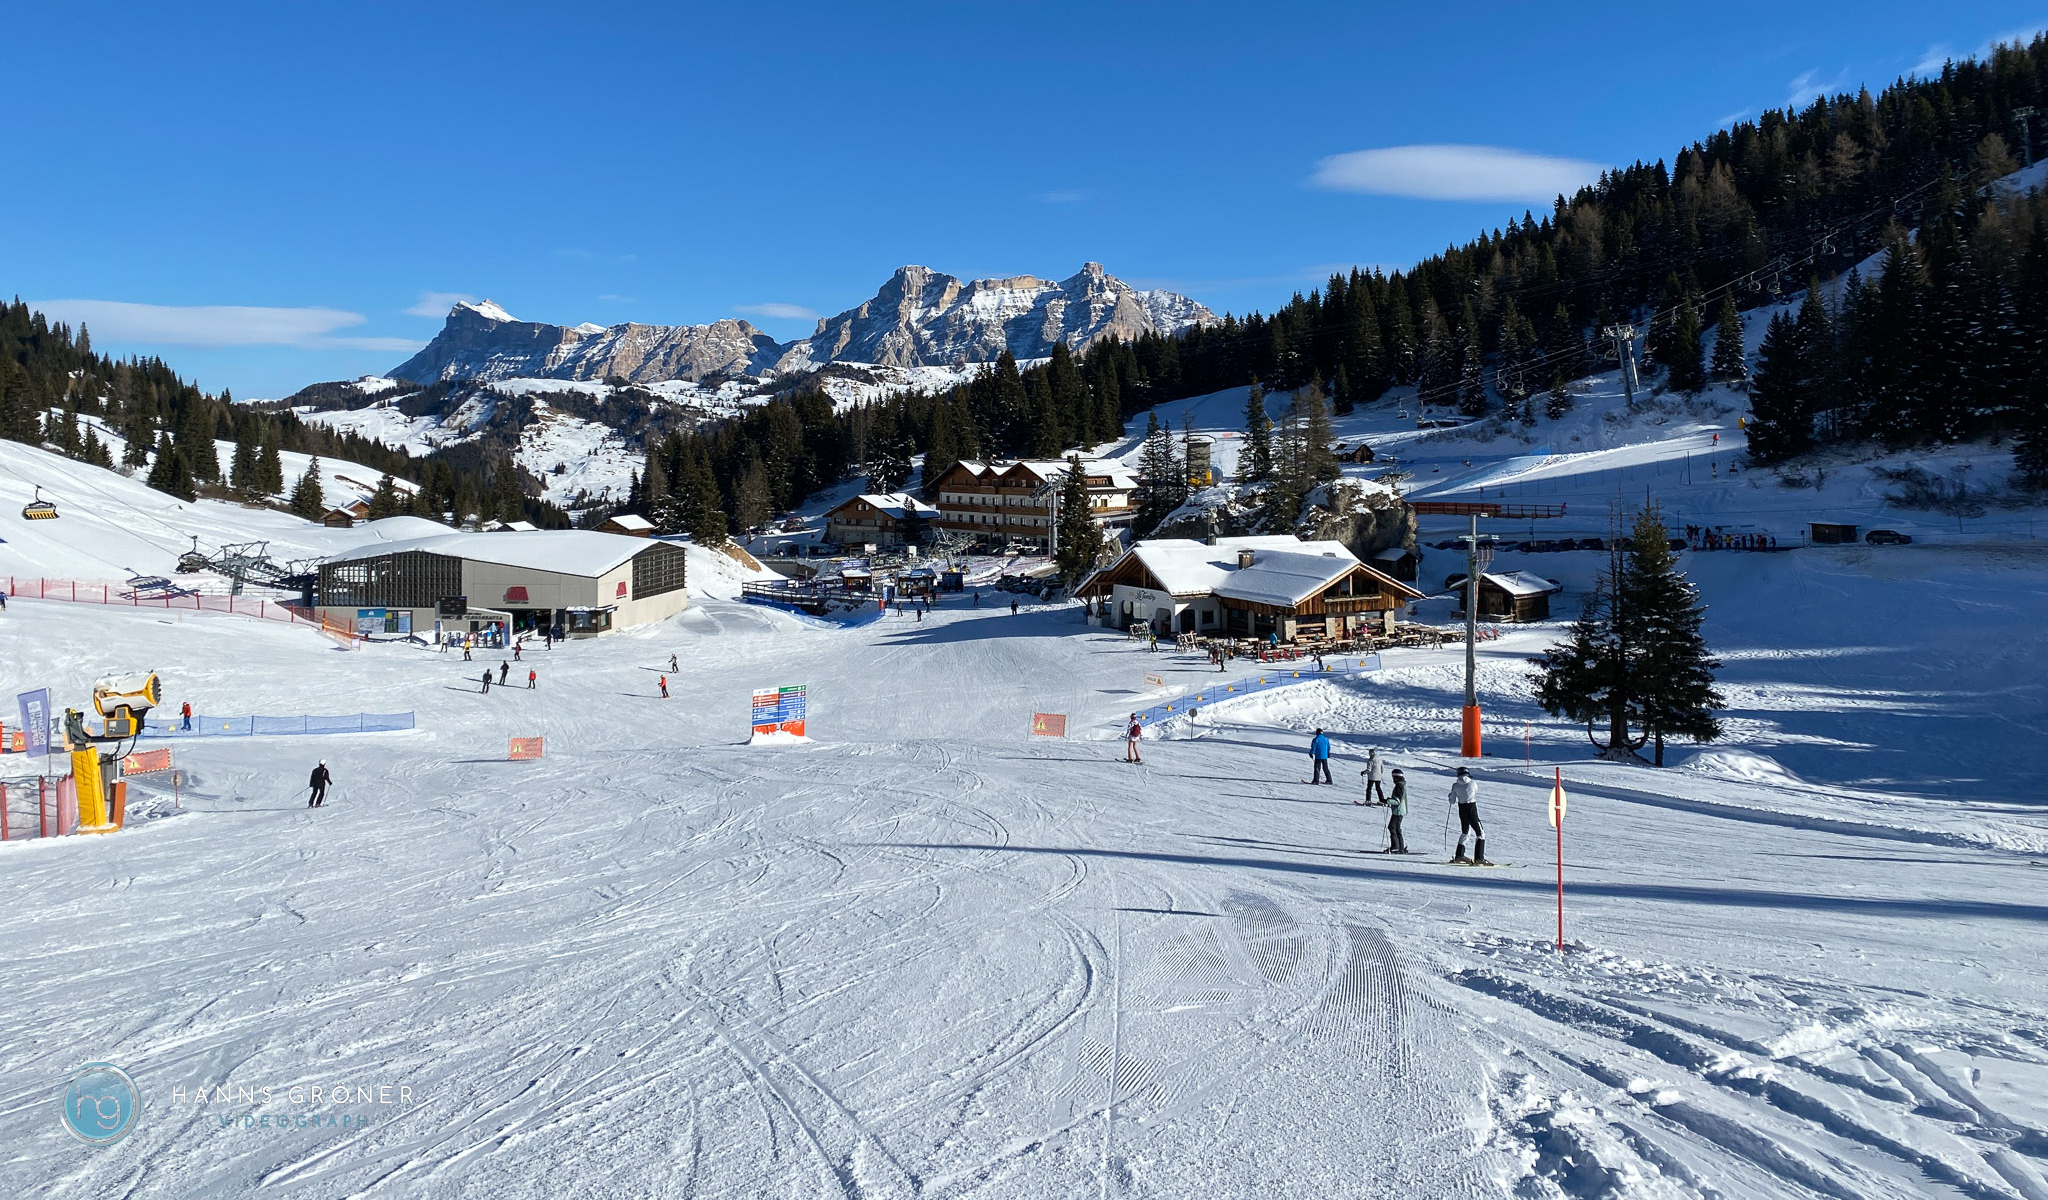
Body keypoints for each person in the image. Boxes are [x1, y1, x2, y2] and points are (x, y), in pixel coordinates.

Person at [1449, 766, 1488, 864]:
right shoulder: (1473, 783)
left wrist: (1450, 795)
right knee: (1480, 833)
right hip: (1471, 809)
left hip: (1461, 809)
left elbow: (1452, 801)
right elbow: (1475, 792)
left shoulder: (1455, 785)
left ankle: (1459, 855)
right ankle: (1479, 858)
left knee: (1465, 832)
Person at [1384, 768, 1409, 852]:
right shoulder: (1401, 784)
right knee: (1397, 828)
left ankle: (1395, 847)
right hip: (1400, 810)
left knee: (1392, 827)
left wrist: (1387, 801)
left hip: (1398, 811)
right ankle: (1400, 847)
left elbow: (1397, 801)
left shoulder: (1399, 786)